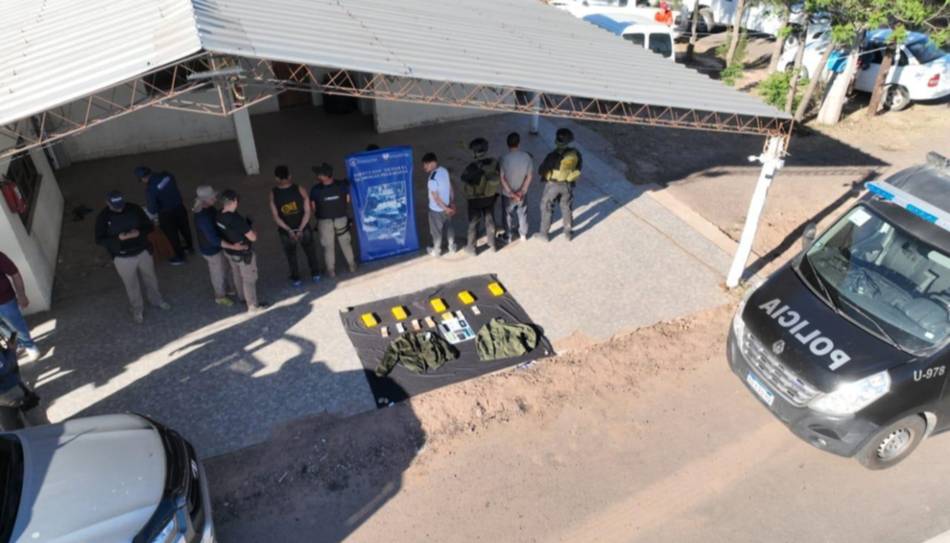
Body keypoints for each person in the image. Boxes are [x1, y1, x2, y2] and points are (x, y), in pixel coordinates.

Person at [94, 190, 171, 324]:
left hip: (142, 252)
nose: (120, 209)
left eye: (121, 205)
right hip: (122, 257)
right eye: (116, 207)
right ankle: (137, 309)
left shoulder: (134, 208)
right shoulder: (103, 217)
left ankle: (156, 300)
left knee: (151, 278)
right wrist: (118, 238)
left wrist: (139, 233)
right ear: (107, 203)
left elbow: (149, 226)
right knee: (131, 285)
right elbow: (99, 239)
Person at [216, 190, 268, 313]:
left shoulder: (218, 215)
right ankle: (252, 306)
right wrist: (253, 231)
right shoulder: (236, 219)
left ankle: (242, 297)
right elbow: (253, 237)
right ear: (234, 201)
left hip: (230, 251)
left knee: (237, 274)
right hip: (243, 253)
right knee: (249, 279)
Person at [270, 165, 320, 286]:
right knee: (310, 251)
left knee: (291, 254)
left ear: (276, 178)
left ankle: (296, 279)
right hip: (303, 228)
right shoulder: (299, 189)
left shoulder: (273, 193)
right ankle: (316, 274)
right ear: (290, 176)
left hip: (286, 232)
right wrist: (300, 228)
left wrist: (289, 230)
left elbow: (275, 216)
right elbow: (307, 211)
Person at [135, 166, 193, 265]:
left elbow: (152, 209)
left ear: (143, 178)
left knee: (172, 236)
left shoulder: (150, 189)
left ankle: (180, 257)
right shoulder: (167, 175)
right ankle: (190, 247)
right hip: (179, 207)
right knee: (185, 228)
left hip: (166, 214)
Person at [310, 163, 357, 278]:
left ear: (324, 176)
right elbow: (347, 200)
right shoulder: (342, 185)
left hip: (324, 221)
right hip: (341, 219)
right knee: (345, 243)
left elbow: (313, 207)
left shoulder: (315, 190)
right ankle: (352, 265)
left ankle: (331, 270)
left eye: (319, 174)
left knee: (328, 246)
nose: (317, 175)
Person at [193, 186, 236, 306]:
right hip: (211, 250)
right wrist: (232, 246)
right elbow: (213, 239)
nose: (215, 198)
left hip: (218, 247)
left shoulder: (209, 208)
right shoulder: (202, 218)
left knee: (225, 267)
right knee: (217, 273)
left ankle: (229, 288)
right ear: (205, 200)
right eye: (213, 197)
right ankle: (220, 296)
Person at [538, 128, 583, 242]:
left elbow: (541, 170)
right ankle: (568, 232)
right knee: (566, 207)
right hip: (567, 185)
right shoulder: (575, 154)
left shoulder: (552, 156)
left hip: (552, 186)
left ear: (556, 141)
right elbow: (579, 167)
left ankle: (544, 234)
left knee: (547, 207)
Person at [460, 137, 501, 254]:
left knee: (473, 223)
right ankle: (492, 244)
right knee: (490, 220)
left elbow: (463, 179)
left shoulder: (472, 167)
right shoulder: (494, 162)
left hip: (475, 200)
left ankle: (472, 248)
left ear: (474, 152)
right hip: (490, 197)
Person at [0, 251, 40, 362]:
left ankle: (29, 345)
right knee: (3, 327)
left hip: (5, 300)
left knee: (16, 324)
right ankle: (18, 343)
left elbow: (14, 273)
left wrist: (21, 295)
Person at [499, 132, 534, 242]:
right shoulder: (527, 157)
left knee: (507, 214)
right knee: (522, 213)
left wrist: (511, 193)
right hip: (522, 194)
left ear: (507, 144)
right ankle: (523, 235)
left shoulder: (503, 158)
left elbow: (502, 178)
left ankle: (508, 236)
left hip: (507, 194)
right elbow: (529, 176)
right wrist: (521, 192)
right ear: (519, 143)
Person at [422, 152, 456, 257]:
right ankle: (452, 247)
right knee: (449, 227)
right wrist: (451, 203)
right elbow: (450, 187)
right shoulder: (444, 171)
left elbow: (436, 198)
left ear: (432, 163)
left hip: (436, 210)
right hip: (448, 206)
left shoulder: (432, 179)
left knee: (436, 232)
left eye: (426, 164)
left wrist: (445, 209)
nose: (424, 167)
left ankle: (436, 251)